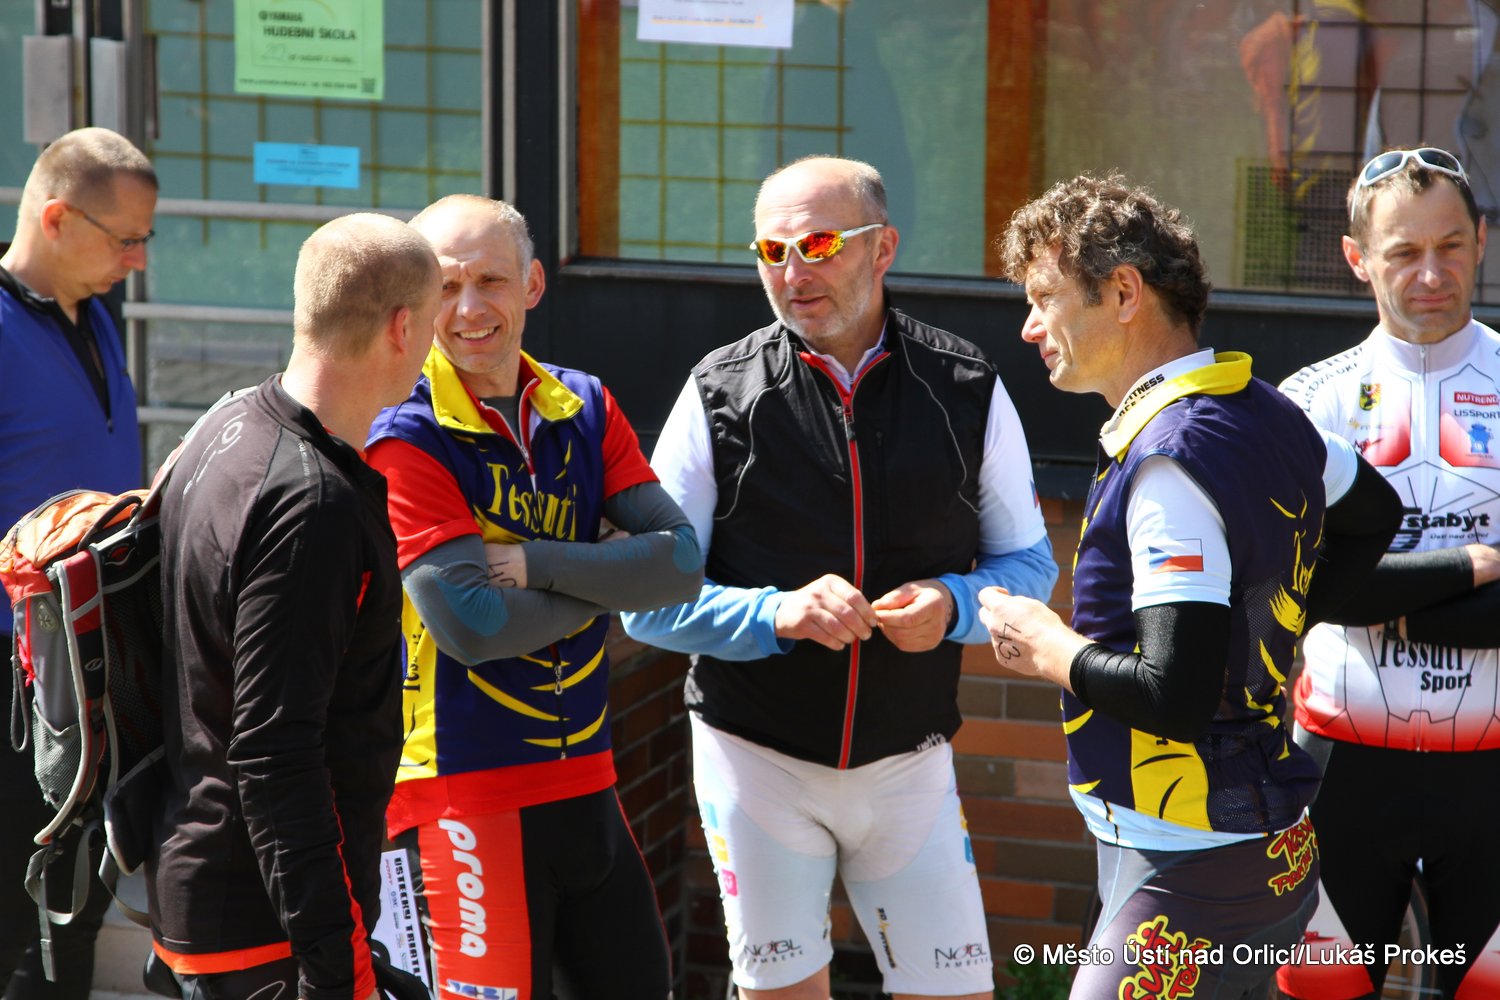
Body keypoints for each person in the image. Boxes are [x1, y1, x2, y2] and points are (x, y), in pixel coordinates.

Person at [621, 155, 1057, 1000]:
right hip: (758, 759)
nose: (792, 272)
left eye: (818, 244)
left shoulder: (965, 384)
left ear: (882, 247)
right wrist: (776, 614)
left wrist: (955, 605)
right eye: (771, 250)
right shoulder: (718, 392)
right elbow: (646, 604)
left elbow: (1031, 566)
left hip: (909, 759)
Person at [983, 173, 1400, 999]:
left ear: (1123, 292)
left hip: (1189, 866)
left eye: (1044, 298)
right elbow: (1375, 514)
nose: (1029, 326)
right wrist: (1269, 628)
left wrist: (1049, 647)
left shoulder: (1170, 458)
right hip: (1262, 852)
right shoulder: (1263, 408)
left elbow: (1172, 695)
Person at [364, 193, 702, 1000]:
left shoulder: (583, 404)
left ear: (534, 284)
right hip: (461, 791)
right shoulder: (403, 429)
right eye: (445, 287)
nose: (469, 309)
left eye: (491, 281)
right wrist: (609, 574)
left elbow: (682, 564)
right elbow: (474, 627)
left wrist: (532, 562)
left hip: (587, 778)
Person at [145, 213, 439, 1000]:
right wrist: (337, 966)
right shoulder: (314, 504)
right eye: (433, 321)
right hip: (264, 926)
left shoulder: (224, 423)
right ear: (402, 327)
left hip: (217, 887)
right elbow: (276, 752)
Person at [1277, 147, 1500, 1000]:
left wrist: (1376, 597)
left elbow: (1340, 592)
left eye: (1451, 246)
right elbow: (1300, 592)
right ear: (1357, 258)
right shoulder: (1307, 403)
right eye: (1404, 252)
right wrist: (1474, 566)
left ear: (1482, 241)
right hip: (1340, 767)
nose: (1431, 275)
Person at [0, 126, 155, 1000]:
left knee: (72, 907)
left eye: (145, 238)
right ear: (57, 218)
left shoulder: (95, 315)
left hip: (90, 664)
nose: (139, 260)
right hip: (13, 671)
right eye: (124, 238)